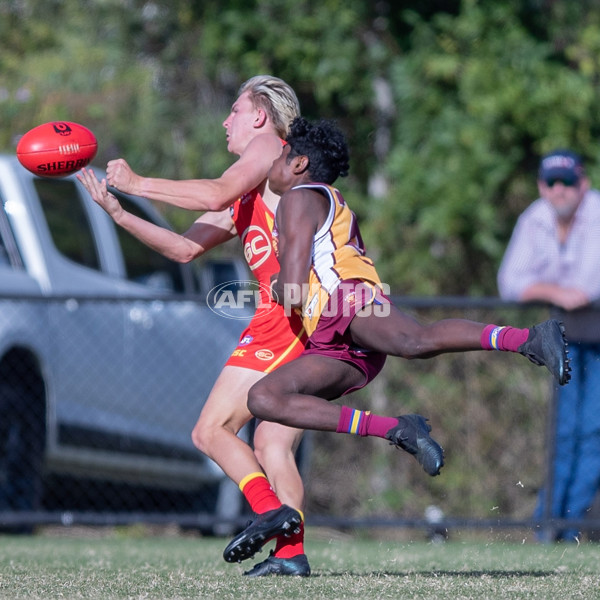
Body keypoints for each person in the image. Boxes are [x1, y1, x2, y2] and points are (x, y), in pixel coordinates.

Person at [222, 117, 571, 567]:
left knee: (414, 341)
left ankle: (529, 338)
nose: (271, 164)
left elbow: (291, 285)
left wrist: (253, 292)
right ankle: (396, 430)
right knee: (265, 398)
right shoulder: (313, 196)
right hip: (331, 336)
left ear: (299, 163)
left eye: (279, 156)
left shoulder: (299, 197)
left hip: (348, 299)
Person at [77, 76, 312, 577]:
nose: (226, 121)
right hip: (305, 317)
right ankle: (292, 556)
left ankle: (272, 514)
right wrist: (120, 213)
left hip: (286, 317)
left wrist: (138, 183)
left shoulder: (272, 146)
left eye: (234, 110)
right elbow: (184, 249)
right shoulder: (262, 184)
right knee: (270, 442)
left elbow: (214, 193)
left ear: (259, 117)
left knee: (210, 431)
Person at [498, 148, 600, 542]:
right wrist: (556, 290)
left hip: (596, 341)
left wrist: (545, 287)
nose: (560, 190)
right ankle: (547, 527)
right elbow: (510, 282)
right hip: (564, 342)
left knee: (592, 434)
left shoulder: (595, 213)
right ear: (542, 185)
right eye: (551, 182)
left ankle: (567, 526)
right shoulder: (535, 218)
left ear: (583, 184)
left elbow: (590, 285)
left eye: (568, 182)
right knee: (564, 433)